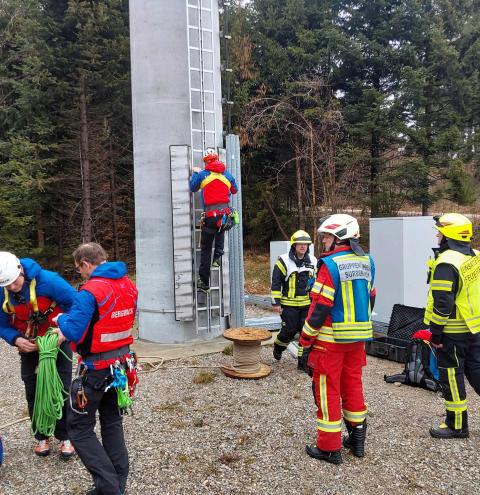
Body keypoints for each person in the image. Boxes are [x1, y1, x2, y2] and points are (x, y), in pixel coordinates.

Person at [52, 242, 137, 495]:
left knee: (79, 429)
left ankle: (109, 488)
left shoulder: (90, 291)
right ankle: (117, 485)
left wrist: (61, 320)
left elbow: (73, 330)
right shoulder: (128, 285)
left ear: (86, 264)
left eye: (79, 269)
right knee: (112, 422)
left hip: (96, 369)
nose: (80, 274)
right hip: (121, 367)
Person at [297, 214, 376, 465]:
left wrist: (305, 341)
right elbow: (371, 296)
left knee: (327, 389)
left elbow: (319, 307)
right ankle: (357, 438)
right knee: (352, 385)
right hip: (357, 339)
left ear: (340, 237)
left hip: (329, 342)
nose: (323, 241)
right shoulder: (367, 261)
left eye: (327, 236)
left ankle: (329, 448)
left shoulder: (329, 265)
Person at [0, 252, 76, 458]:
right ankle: (41, 435)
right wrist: (16, 339)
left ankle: (66, 436)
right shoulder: (2, 290)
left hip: (56, 342)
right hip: (29, 345)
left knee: (61, 388)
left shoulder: (50, 282)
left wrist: (64, 331)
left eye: (14, 282)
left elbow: (77, 305)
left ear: (20, 270)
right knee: (33, 390)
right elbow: (1, 323)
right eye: (7, 285)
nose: (12, 287)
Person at [423, 213, 480, 439]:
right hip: (474, 327)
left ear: (449, 235)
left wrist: (436, 334)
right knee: (475, 370)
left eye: (440, 232)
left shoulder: (447, 263)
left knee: (452, 376)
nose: (437, 235)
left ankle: (457, 425)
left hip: (453, 332)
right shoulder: (475, 256)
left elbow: (443, 304)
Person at [190, 148, 238, 291]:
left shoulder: (203, 174)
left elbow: (193, 187)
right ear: (217, 159)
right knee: (220, 228)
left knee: (206, 250)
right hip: (225, 216)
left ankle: (204, 283)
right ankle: (218, 255)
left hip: (211, 216)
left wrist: (196, 173)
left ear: (206, 162)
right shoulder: (227, 175)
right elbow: (234, 190)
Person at [270, 230, 317, 361]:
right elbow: (276, 282)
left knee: (305, 332)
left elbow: (317, 281)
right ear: (294, 245)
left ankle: (303, 361)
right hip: (288, 305)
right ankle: (278, 347)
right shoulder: (284, 260)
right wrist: (276, 303)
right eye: (300, 243)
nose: (303, 246)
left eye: (305, 244)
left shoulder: (313, 261)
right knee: (289, 331)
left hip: (307, 305)